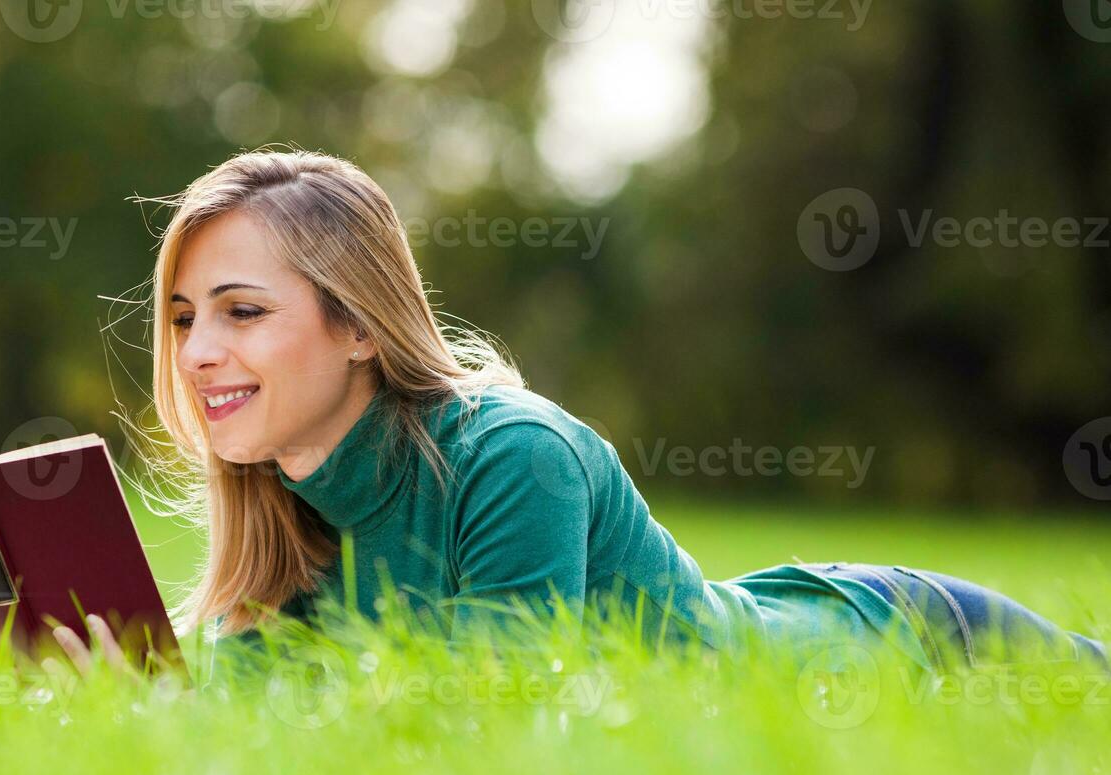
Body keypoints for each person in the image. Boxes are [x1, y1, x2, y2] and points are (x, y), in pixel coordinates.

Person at [55, 149, 1107, 673]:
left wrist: (198, 689)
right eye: (186, 315)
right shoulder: (295, 508)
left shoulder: (515, 454)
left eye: (242, 310)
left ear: (361, 326)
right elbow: (274, 696)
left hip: (895, 641)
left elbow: (497, 690)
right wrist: (142, 678)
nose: (198, 351)